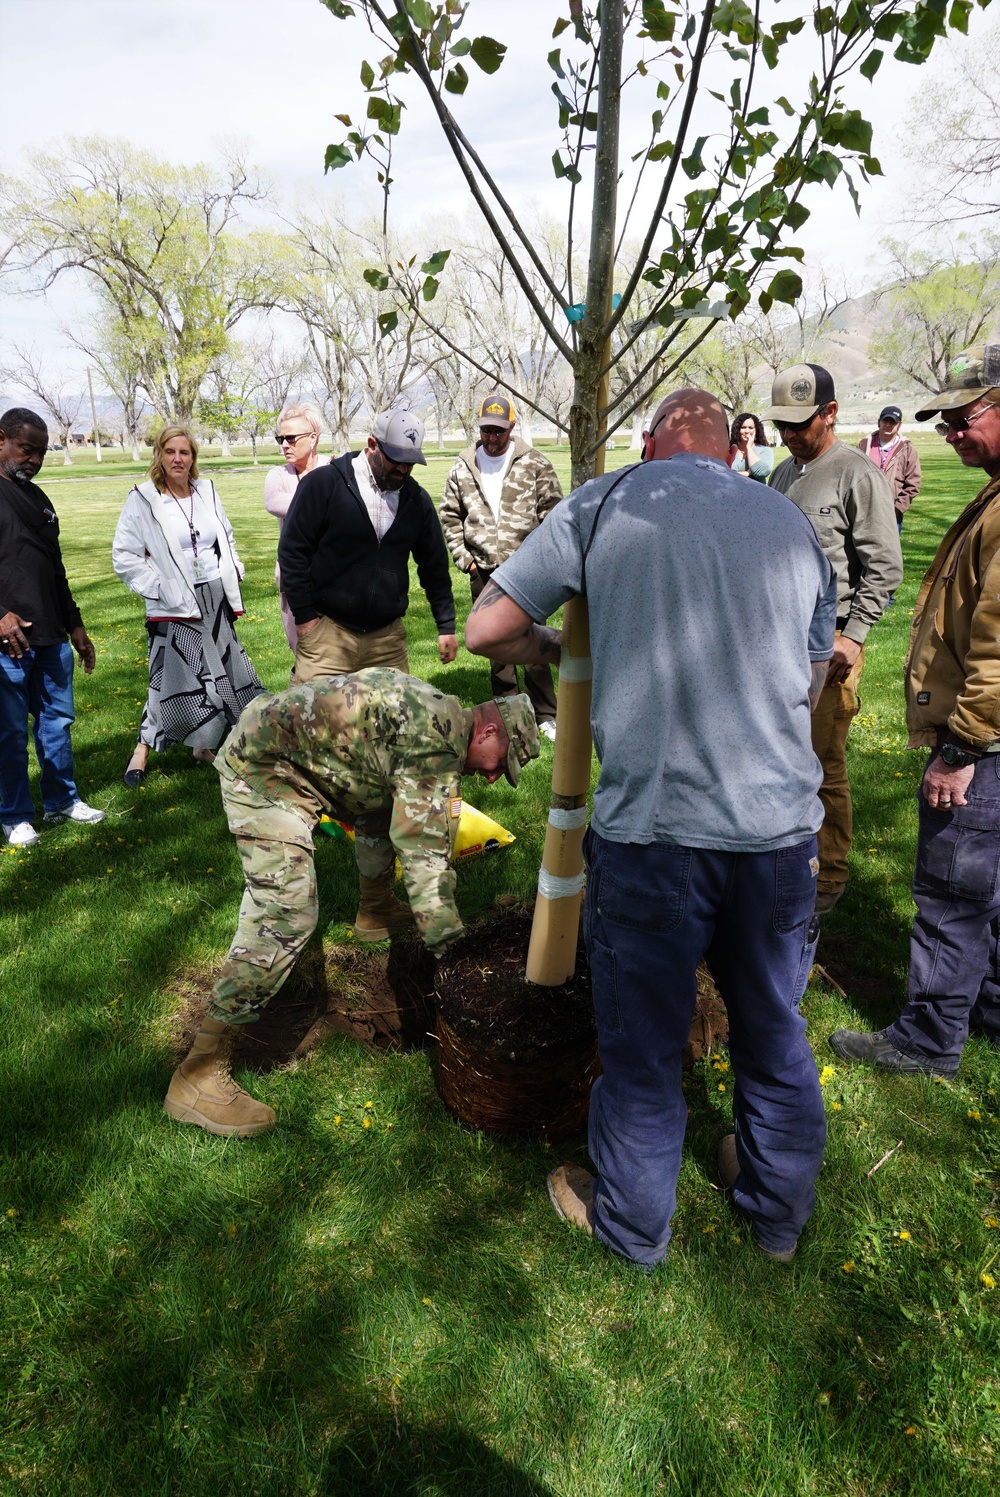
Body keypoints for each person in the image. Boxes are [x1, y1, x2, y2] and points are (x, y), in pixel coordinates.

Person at [466, 388, 838, 1268]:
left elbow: (487, 628)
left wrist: (556, 651)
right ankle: (777, 1216)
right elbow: (814, 677)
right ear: (730, 449)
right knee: (774, 1029)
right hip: (780, 831)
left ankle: (633, 1227)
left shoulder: (606, 499)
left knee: (641, 1044)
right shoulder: (787, 521)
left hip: (654, 835)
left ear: (650, 444)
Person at [163, 668, 540, 1136]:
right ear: (487, 731)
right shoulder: (434, 745)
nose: (492, 776)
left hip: (284, 750)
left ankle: (374, 908)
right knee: (287, 911)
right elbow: (426, 865)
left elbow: (397, 805)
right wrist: (461, 962)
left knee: (382, 800)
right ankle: (198, 1074)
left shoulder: (438, 712)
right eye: (500, 763)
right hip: (263, 771)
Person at [831, 345, 1000, 1078]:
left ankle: (929, 1039)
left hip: (983, 744)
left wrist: (960, 750)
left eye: (966, 419)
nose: (954, 434)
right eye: (948, 423)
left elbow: (998, 648)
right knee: (988, 883)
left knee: (953, 886)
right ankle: (987, 1009)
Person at [767, 364, 902, 914]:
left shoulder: (856, 473)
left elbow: (885, 567)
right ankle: (784, 859)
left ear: (830, 412)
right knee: (781, 756)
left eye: (800, 423)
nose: (789, 434)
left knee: (822, 762)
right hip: (779, 643)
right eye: (782, 424)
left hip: (834, 645)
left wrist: (855, 635)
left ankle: (828, 879)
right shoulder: (780, 474)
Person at [112, 426, 263, 787]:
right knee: (170, 679)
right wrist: (160, 589)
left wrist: (234, 568)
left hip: (213, 598)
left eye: (185, 452)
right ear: (159, 456)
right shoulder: (144, 500)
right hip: (173, 604)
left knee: (224, 673)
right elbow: (125, 556)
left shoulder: (206, 492)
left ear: (193, 457)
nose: (178, 458)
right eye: (170, 451)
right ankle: (143, 749)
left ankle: (205, 745)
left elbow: (224, 536)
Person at [277, 406, 457, 682]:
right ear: (372, 445)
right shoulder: (325, 484)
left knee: (394, 724)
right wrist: (305, 618)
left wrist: (446, 625)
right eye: (395, 459)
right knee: (312, 723)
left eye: (410, 462)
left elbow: (434, 566)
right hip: (328, 637)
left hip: (387, 643)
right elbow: (292, 552)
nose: (403, 469)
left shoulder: (416, 500)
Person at [0, 407, 105, 846]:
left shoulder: (41, 499)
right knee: (7, 732)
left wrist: (75, 626)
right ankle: (14, 815)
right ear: (1, 440)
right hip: (7, 643)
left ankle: (62, 800)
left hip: (50, 637)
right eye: (26, 449)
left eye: (41, 452)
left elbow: (55, 569)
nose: (34, 460)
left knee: (57, 723)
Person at [440, 393, 563, 740]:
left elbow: (553, 514)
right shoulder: (463, 467)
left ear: (511, 427)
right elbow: (449, 516)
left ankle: (545, 714)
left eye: (499, 431)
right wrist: (467, 562)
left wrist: (542, 561)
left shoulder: (535, 463)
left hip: (528, 571)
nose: (492, 439)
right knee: (496, 645)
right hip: (485, 571)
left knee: (536, 641)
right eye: (486, 431)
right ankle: (509, 709)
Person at [263, 402, 328, 651]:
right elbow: (273, 502)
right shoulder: (279, 475)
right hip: (295, 581)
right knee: (303, 651)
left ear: (313, 438)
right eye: (281, 438)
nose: (284, 445)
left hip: (335, 579)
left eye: (291, 438)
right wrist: (325, 505)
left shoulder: (333, 468)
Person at [857, 405, 922, 534]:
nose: (888, 424)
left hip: (891, 515)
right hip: (863, 512)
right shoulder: (864, 445)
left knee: (888, 553)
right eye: (885, 421)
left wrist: (897, 509)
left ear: (899, 425)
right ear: (878, 422)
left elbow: (913, 484)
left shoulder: (908, 449)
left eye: (892, 422)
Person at [728, 412, 774, 482]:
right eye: (743, 427)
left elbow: (762, 472)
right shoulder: (730, 450)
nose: (747, 431)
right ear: (737, 430)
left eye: (750, 428)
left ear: (756, 430)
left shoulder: (765, 450)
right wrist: (748, 473)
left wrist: (749, 447)